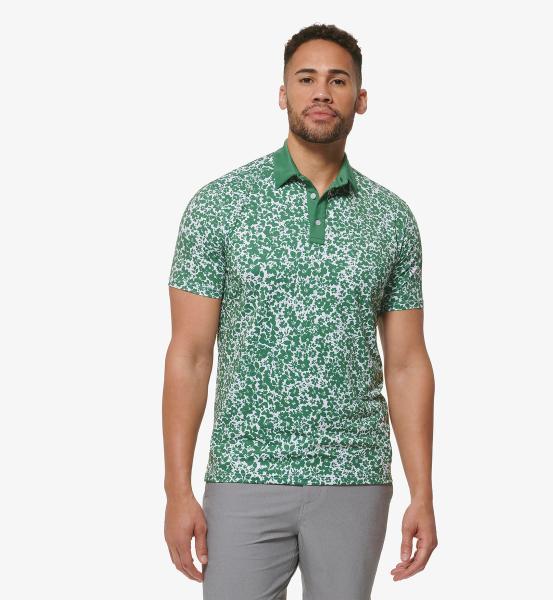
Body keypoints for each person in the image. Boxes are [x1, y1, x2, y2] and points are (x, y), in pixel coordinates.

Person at [162, 23, 437, 600]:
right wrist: (177, 490)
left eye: (338, 80)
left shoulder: (392, 219)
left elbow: (408, 363)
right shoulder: (219, 205)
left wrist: (424, 493)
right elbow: (189, 355)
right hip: (243, 472)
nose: (321, 92)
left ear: (360, 98)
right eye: (306, 78)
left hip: (355, 477)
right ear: (283, 92)